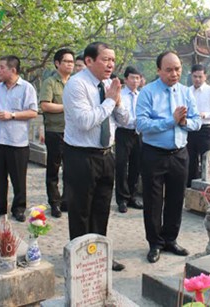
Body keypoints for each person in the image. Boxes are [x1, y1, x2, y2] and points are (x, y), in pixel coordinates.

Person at [62, 42, 128, 271]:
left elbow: (127, 120)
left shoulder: (110, 84)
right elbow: (85, 122)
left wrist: (117, 103)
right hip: (81, 156)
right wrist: (110, 100)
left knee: (101, 209)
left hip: (106, 154)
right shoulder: (76, 85)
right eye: (105, 59)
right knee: (81, 211)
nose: (111, 64)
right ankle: (80, 261)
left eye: (113, 59)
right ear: (89, 61)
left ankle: (100, 255)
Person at [136, 51, 201, 263]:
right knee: (153, 201)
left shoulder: (185, 92)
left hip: (179, 153)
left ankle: (170, 239)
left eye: (178, 69)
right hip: (154, 153)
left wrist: (184, 123)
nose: (174, 73)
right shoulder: (147, 92)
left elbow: (196, 120)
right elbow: (142, 124)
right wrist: (171, 121)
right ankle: (155, 243)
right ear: (158, 70)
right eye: (169, 69)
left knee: (175, 199)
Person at [0, 55, 38, 222]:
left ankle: (19, 208)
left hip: (17, 142)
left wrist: (12, 115)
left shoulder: (27, 88)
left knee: (18, 178)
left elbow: (33, 112)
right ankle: (0, 207)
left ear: (13, 70)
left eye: (2, 67)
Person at [40, 48, 74, 218]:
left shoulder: (75, 82)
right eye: (66, 61)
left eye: (72, 62)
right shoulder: (50, 82)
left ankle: (67, 200)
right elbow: (45, 105)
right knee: (53, 168)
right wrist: (67, 107)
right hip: (55, 131)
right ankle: (54, 202)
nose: (70, 64)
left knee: (71, 169)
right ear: (57, 63)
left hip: (73, 132)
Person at [186, 64, 210, 187]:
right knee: (191, 160)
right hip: (190, 129)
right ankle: (191, 186)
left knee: (207, 159)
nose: (197, 79)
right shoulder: (187, 91)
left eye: (200, 77)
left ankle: (209, 187)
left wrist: (205, 114)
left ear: (205, 76)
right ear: (191, 76)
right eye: (195, 76)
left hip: (205, 129)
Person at [114, 66, 143, 213]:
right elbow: (121, 116)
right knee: (121, 166)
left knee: (136, 166)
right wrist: (135, 121)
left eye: (138, 78)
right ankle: (122, 199)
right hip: (123, 132)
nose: (135, 81)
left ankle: (132, 195)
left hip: (138, 133)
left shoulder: (141, 96)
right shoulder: (121, 95)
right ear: (126, 79)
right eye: (132, 78)